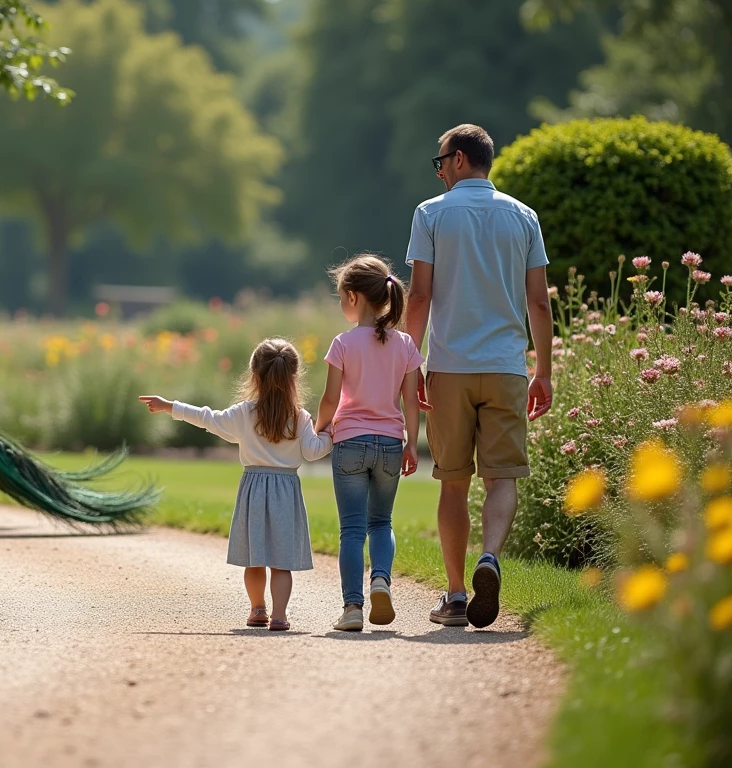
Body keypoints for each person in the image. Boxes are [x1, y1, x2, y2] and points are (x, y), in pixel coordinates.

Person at [405, 124, 554, 629]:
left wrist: (409, 363)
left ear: (461, 159)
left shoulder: (430, 214)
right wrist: (544, 372)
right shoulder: (524, 216)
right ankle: (489, 556)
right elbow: (538, 301)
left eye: (442, 161)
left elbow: (420, 296)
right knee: (502, 476)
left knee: (452, 483)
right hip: (507, 366)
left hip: (450, 366)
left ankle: (452, 595)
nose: (441, 170)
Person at [139, 338, 333, 631]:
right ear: (293, 378)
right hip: (287, 491)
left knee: (255, 558)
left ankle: (257, 609)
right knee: (281, 561)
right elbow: (314, 451)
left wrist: (170, 406)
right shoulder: (300, 417)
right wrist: (330, 432)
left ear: (255, 376)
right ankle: (279, 615)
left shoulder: (245, 413)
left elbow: (208, 418)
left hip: (254, 489)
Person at [315, 255, 422, 632]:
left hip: (350, 444)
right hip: (391, 444)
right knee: (381, 522)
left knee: (352, 529)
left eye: (341, 296)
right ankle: (380, 580)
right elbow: (412, 400)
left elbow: (330, 399)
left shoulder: (343, 343)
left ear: (354, 296)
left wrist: (319, 428)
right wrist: (412, 443)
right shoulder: (405, 344)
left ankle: (353, 608)